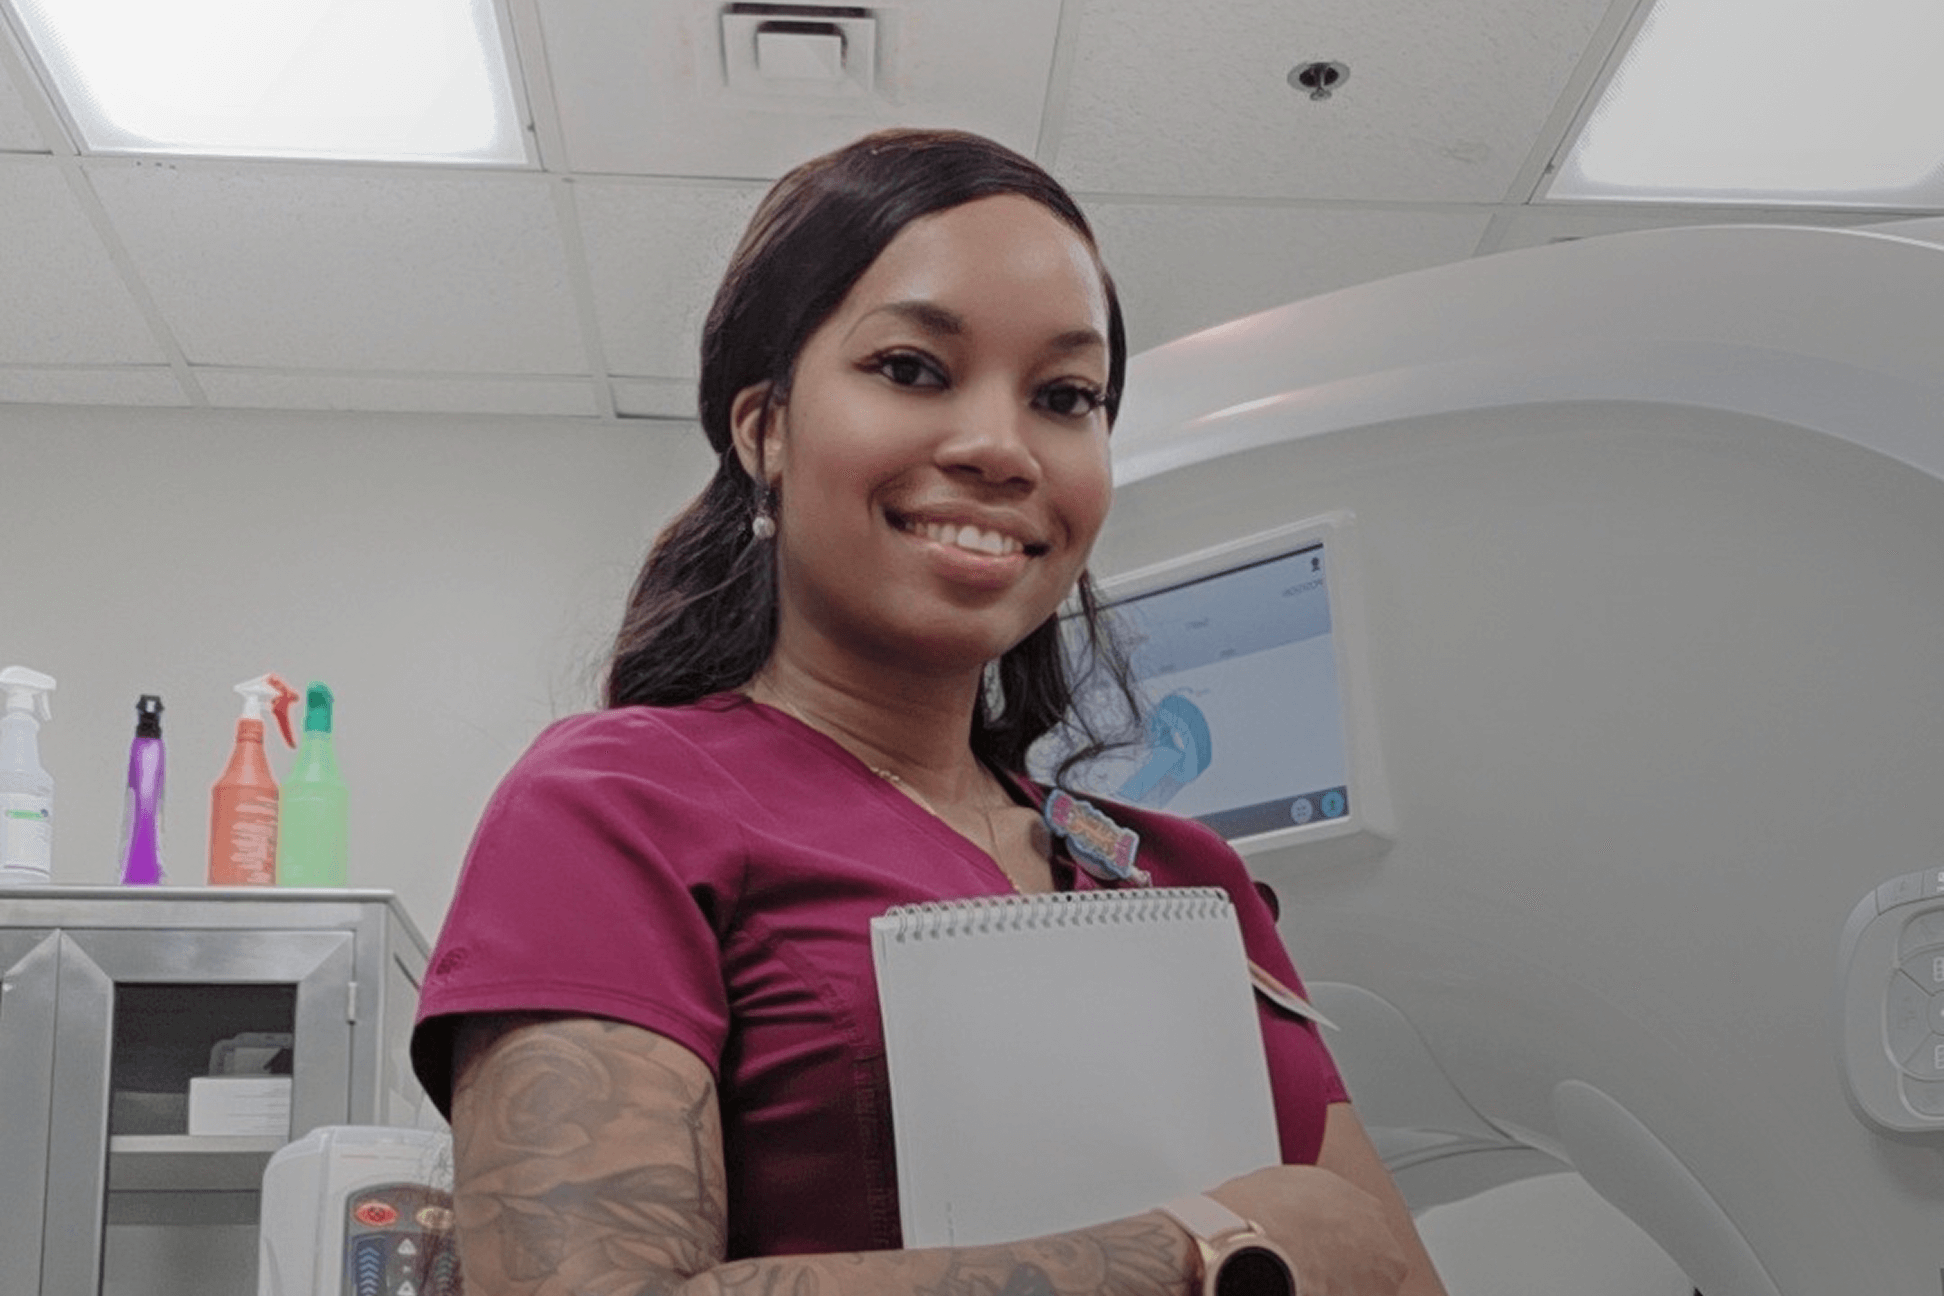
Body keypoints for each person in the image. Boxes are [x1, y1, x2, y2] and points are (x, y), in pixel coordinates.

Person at [411, 127, 1446, 1296]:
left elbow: (1373, 1264)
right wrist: (1206, 1254)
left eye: (1066, 396)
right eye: (911, 368)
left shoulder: (1185, 874)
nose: (1002, 448)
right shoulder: (617, 807)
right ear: (766, 427)